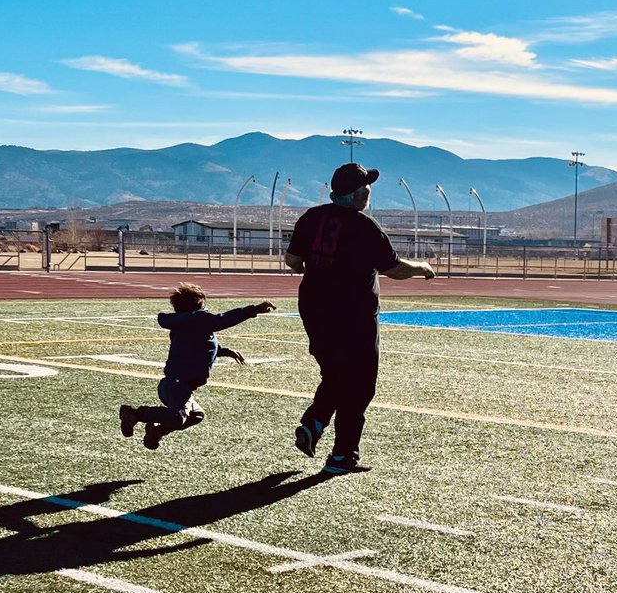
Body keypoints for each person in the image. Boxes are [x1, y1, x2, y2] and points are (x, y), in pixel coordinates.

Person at [285, 162, 435, 475]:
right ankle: (341, 455)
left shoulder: (311, 217)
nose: (369, 191)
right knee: (360, 384)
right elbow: (393, 269)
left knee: (336, 374)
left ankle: (314, 423)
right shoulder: (365, 226)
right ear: (356, 193)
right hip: (353, 315)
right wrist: (421, 267)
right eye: (366, 186)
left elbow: (293, 260)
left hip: (314, 309)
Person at [119, 282, 275, 449]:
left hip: (173, 385)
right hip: (178, 384)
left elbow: (197, 347)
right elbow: (226, 319)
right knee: (177, 418)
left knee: (196, 415)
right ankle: (135, 413)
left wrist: (224, 351)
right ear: (199, 304)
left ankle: (157, 430)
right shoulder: (199, 319)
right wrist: (254, 309)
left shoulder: (186, 323)